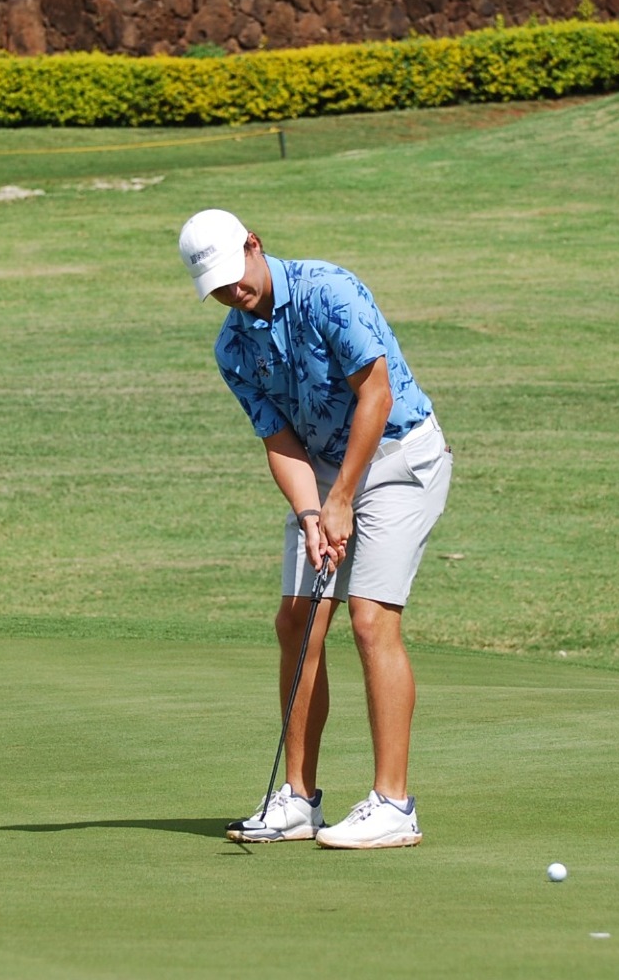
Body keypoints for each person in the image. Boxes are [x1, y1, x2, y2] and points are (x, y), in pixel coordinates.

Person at [178, 208, 453, 850]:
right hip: (324, 474)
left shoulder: (329, 290)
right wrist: (312, 512)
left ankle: (394, 804)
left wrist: (345, 498)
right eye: (215, 288)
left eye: (233, 277)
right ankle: (299, 801)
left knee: (369, 618)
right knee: (296, 620)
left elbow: (376, 395)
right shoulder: (232, 347)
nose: (230, 293)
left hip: (398, 455)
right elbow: (278, 439)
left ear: (255, 244)